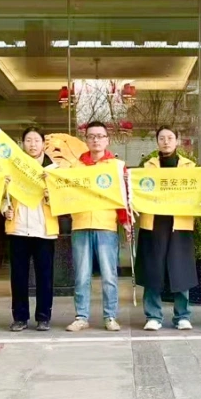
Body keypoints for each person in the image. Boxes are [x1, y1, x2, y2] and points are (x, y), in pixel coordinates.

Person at [66, 121, 131, 332]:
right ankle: (81, 316)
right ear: (86, 140)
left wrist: (126, 222)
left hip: (106, 226)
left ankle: (110, 316)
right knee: (81, 275)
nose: (96, 140)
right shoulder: (75, 167)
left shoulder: (117, 166)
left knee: (109, 276)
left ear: (107, 140)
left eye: (100, 136)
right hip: (81, 224)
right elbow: (66, 194)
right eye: (91, 136)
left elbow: (123, 197)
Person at [138, 127, 197, 331]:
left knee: (180, 268)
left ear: (177, 141)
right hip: (154, 222)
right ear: (157, 142)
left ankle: (182, 315)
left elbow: (197, 192)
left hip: (180, 222)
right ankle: (153, 316)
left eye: (170, 138)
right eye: (162, 138)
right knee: (152, 270)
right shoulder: (147, 166)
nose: (166, 141)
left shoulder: (190, 167)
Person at [2, 126, 58, 332]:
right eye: (28, 140)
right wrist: (5, 209)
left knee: (45, 277)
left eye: (36, 140)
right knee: (18, 277)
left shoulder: (54, 169)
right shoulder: (12, 168)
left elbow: (64, 200)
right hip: (18, 229)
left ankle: (44, 317)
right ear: (22, 144)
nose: (32, 144)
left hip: (44, 230)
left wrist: (51, 196)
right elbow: (3, 196)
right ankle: (20, 317)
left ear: (43, 144)